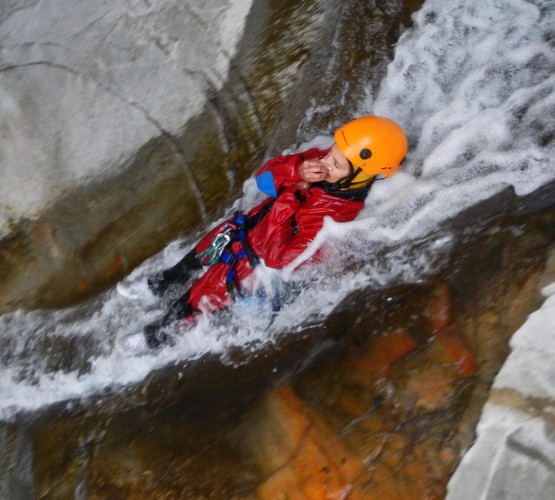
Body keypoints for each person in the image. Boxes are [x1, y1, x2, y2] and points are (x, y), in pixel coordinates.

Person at [143, 115, 408, 347]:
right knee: (203, 251)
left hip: (250, 266)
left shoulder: (334, 217)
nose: (325, 161)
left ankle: (158, 336)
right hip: (246, 230)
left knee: (200, 296)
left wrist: (291, 195)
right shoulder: (325, 164)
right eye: (330, 152)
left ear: (360, 177)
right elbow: (265, 181)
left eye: (336, 163)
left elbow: (276, 258)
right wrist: (296, 169)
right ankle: (169, 280)